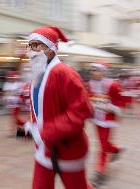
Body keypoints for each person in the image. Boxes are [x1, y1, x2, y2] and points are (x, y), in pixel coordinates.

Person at [23, 26, 94, 189]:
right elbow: (40, 109)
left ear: (51, 48)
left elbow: (81, 112)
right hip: (44, 150)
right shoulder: (37, 74)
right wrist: (32, 127)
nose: (31, 50)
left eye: (36, 45)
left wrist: (43, 131)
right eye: (30, 45)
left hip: (68, 150)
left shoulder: (65, 73)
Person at [88, 62, 125, 187]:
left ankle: (100, 172)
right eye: (92, 70)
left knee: (102, 147)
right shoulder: (91, 84)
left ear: (103, 72)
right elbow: (89, 98)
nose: (93, 72)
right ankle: (116, 150)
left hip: (108, 120)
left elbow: (121, 101)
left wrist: (113, 109)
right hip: (97, 119)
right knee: (103, 143)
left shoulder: (113, 85)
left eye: (96, 70)